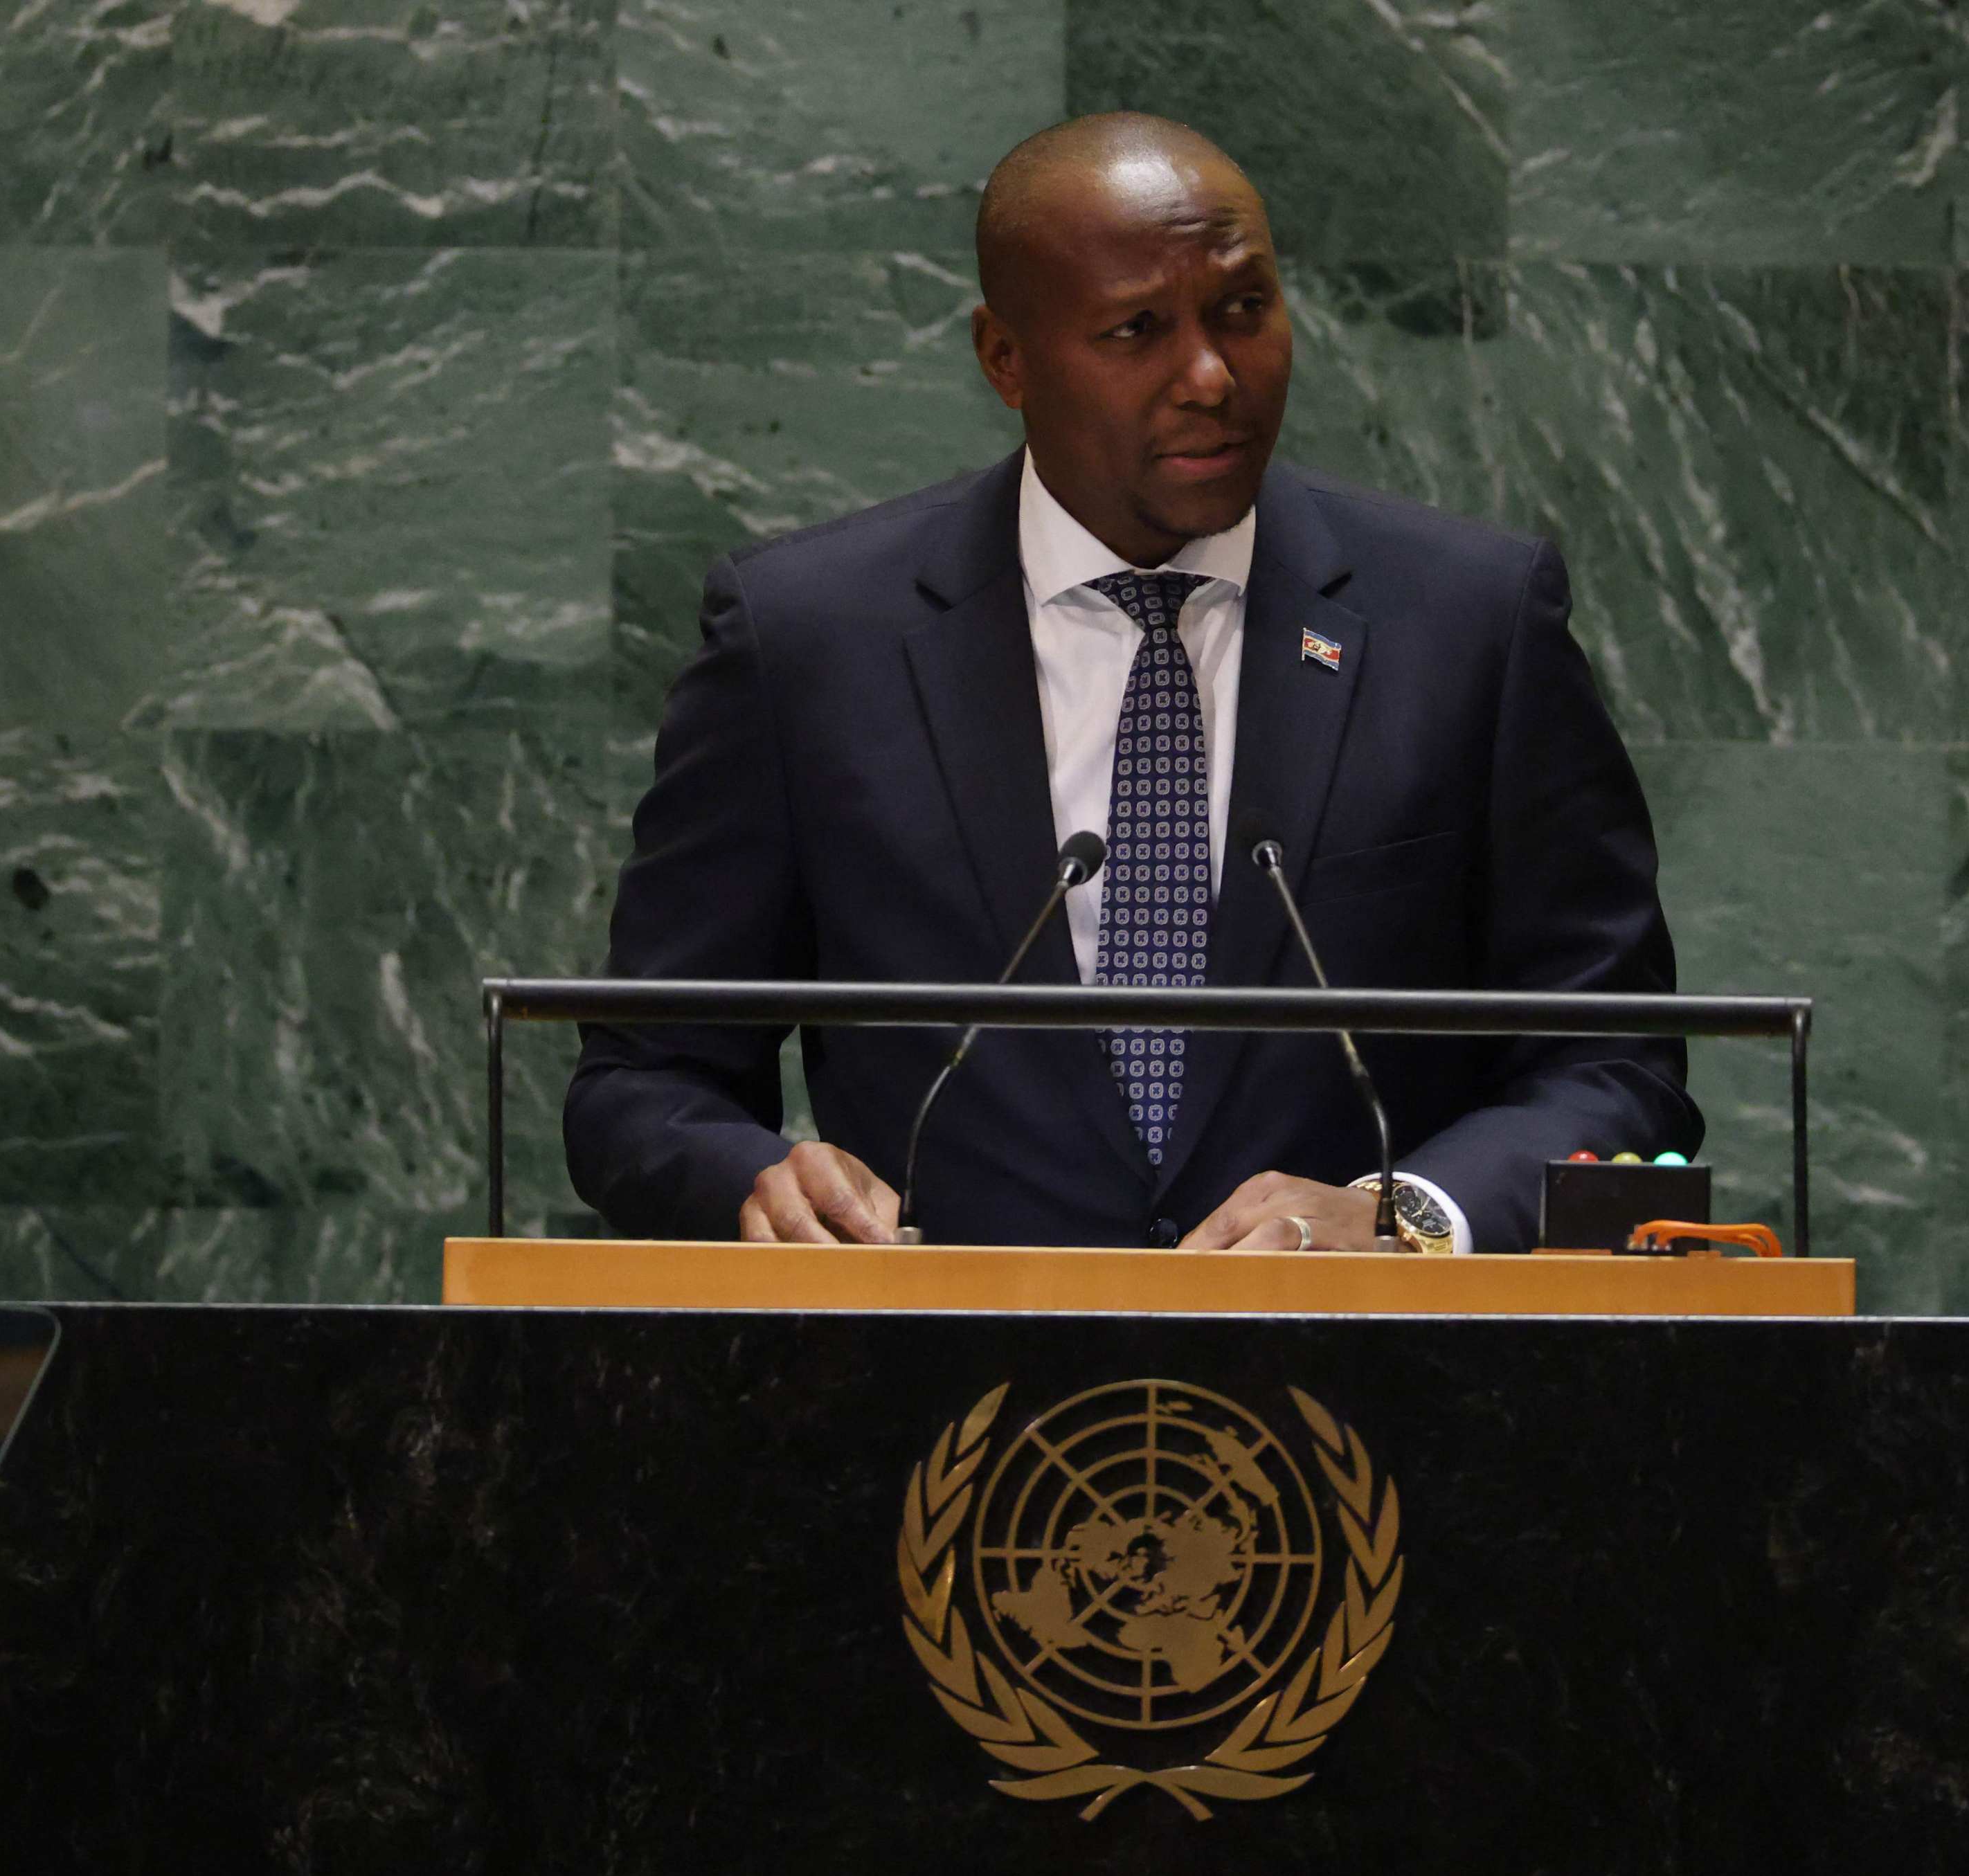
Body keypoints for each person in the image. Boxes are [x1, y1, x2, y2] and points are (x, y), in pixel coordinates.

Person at [564, 112, 1698, 1254]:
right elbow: (645, 1080)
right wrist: (762, 1185)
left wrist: (1403, 1218)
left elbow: (1615, 1061)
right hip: (943, 1398)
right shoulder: (808, 641)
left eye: (1244, 311)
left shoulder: (1471, 625)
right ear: (1004, 358)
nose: (1211, 376)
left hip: (1373, 1392)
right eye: (1137, 330)